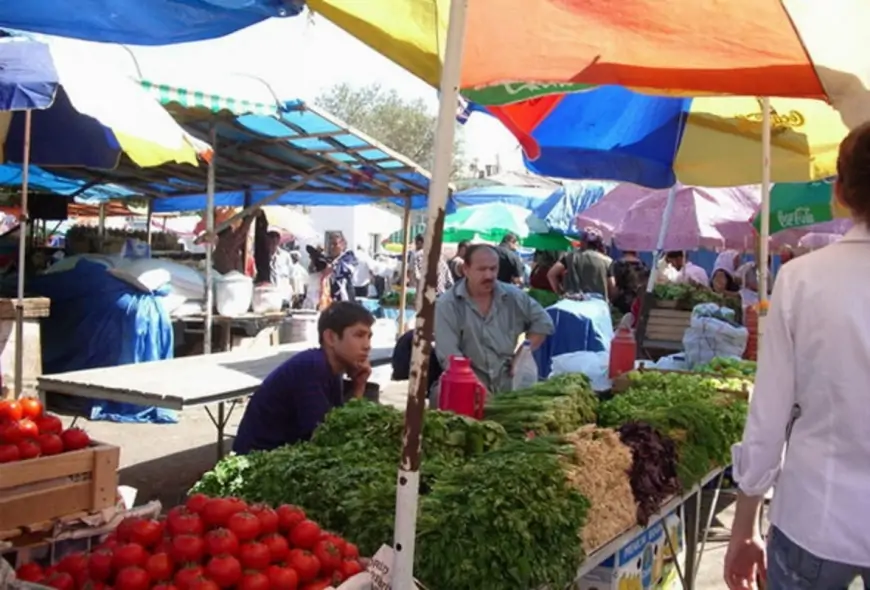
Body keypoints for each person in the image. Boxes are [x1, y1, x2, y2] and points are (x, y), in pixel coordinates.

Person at [725, 122, 870, 590]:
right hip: (813, 516)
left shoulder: (801, 280)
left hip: (815, 516)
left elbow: (768, 414)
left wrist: (744, 525)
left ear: (840, 191)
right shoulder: (800, 278)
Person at [232, 302, 375, 454]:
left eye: (369, 337)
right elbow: (326, 438)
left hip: (285, 455)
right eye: (359, 335)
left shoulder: (331, 368)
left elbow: (340, 423)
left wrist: (359, 386)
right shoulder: (312, 367)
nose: (367, 346)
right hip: (259, 461)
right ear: (331, 337)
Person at [434, 244, 554, 394]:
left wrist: (522, 354)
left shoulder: (514, 297)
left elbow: (543, 323)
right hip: (462, 389)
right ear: (466, 269)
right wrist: (476, 389)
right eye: (482, 269)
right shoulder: (447, 305)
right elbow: (449, 356)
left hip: (507, 387)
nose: (489, 276)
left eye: (493, 269)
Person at [547, 230, 614, 298]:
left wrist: (560, 293)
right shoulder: (608, 261)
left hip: (572, 300)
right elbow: (612, 287)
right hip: (596, 304)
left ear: (583, 242)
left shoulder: (570, 257)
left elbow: (551, 274)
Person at [327, 232, 357, 303]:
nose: (332, 247)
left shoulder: (348, 258)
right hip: (330, 295)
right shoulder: (328, 259)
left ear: (342, 245)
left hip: (345, 294)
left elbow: (344, 271)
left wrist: (332, 266)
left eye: (335, 244)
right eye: (330, 244)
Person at [266, 230, 293, 303]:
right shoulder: (263, 257)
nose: (274, 241)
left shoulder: (285, 256)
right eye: (271, 238)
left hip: (283, 295)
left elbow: (291, 276)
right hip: (268, 295)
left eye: (276, 238)